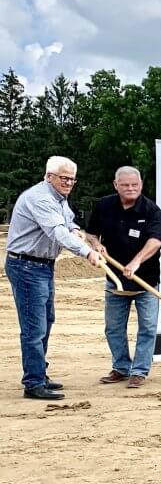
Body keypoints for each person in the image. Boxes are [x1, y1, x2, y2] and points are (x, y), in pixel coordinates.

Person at [6, 156, 100, 400]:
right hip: (26, 265)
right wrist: (86, 252)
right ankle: (34, 382)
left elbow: (67, 221)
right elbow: (57, 231)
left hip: (43, 266)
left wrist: (78, 231)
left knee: (45, 321)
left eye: (72, 179)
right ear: (49, 177)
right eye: (64, 178)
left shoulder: (59, 198)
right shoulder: (40, 198)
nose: (68, 183)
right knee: (34, 327)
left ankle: (39, 373)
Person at [84, 166, 161, 389]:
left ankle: (139, 371)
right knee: (113, 327)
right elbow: (90, 233)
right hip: (115, 280)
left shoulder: (151, 210)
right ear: (116, 185)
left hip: (145, 282)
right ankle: (121, 367)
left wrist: (137, 261)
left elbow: (156, 241)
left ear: (141, 185)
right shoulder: (104, 205)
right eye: (125, 185)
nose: (130, 189)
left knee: (147, 328)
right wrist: (97, 245)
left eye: (135, 185)